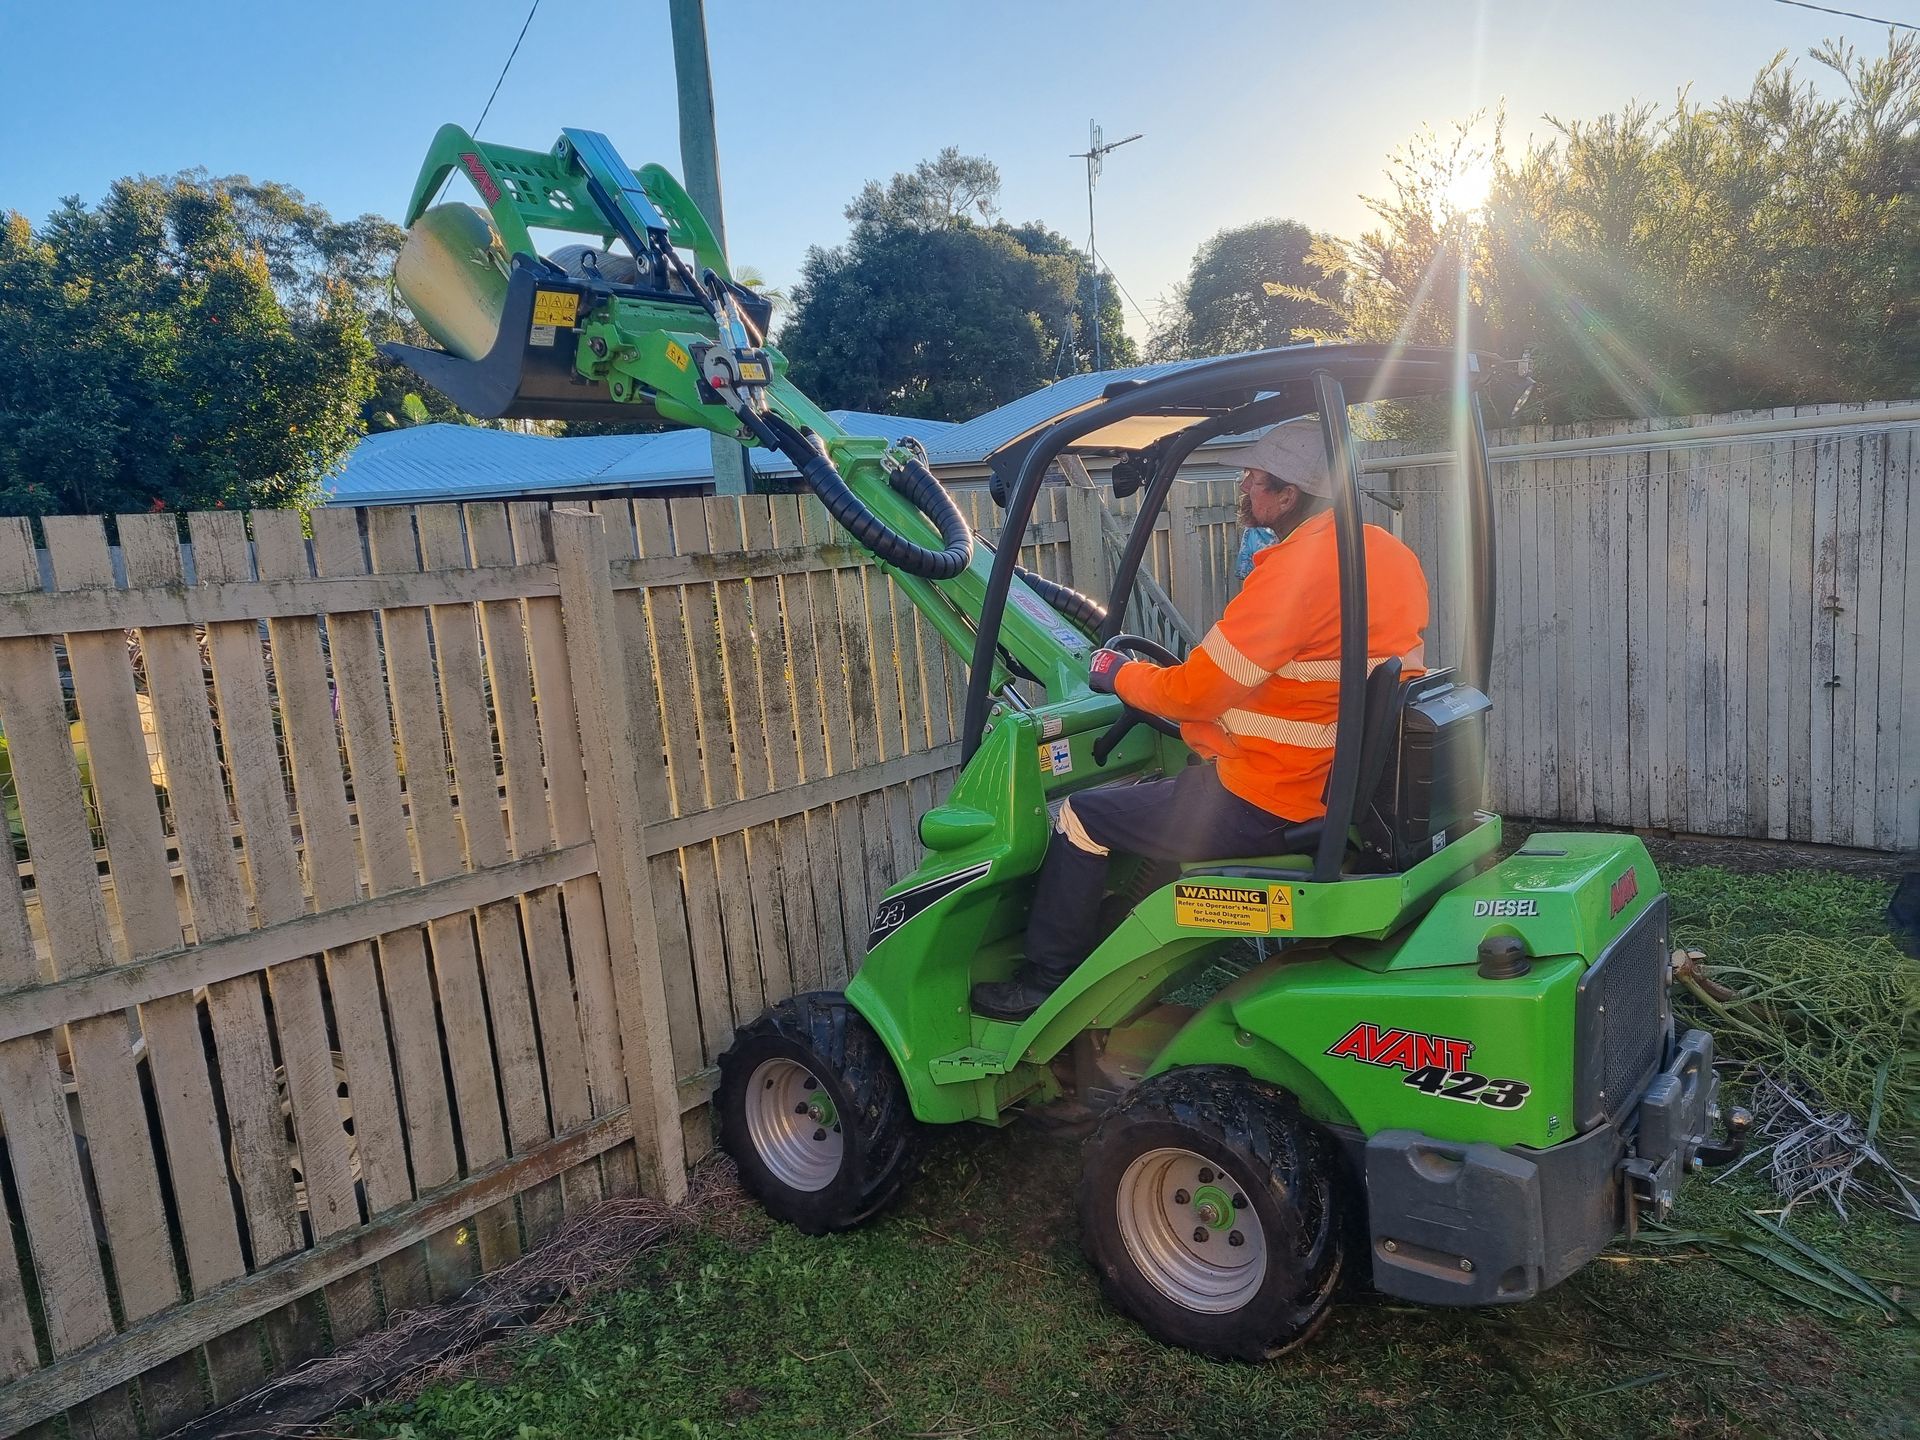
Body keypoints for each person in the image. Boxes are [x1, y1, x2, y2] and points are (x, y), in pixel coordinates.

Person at [970, 417, 1431, 1021]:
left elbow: (1192, 694)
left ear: (1289, 494)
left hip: (1269, 798)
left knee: (1083, 816)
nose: (1243, 487)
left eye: (1254, 478)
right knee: (1173, 785)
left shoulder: (1295, 573)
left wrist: (1118, 678)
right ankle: (1123, 934)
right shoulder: (1386, 553)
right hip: (1327, 780)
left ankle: (1043, 982)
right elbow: (1292, 679)